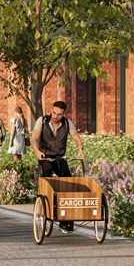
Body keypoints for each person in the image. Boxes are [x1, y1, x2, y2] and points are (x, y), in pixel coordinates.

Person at [36, 98, 78, 233]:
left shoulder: (67, 123)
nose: (55, 116)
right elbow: (34, 138)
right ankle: (44, 206)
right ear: (51, 111)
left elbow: (76, 137)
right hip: (45, 156)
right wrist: (37, 151)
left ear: (63, 114)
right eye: (54, 113)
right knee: (47, 174)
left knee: (68, 183)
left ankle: (65, 223)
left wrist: (81, 148)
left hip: (60, 157)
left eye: (59, 114)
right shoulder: (42, 121)